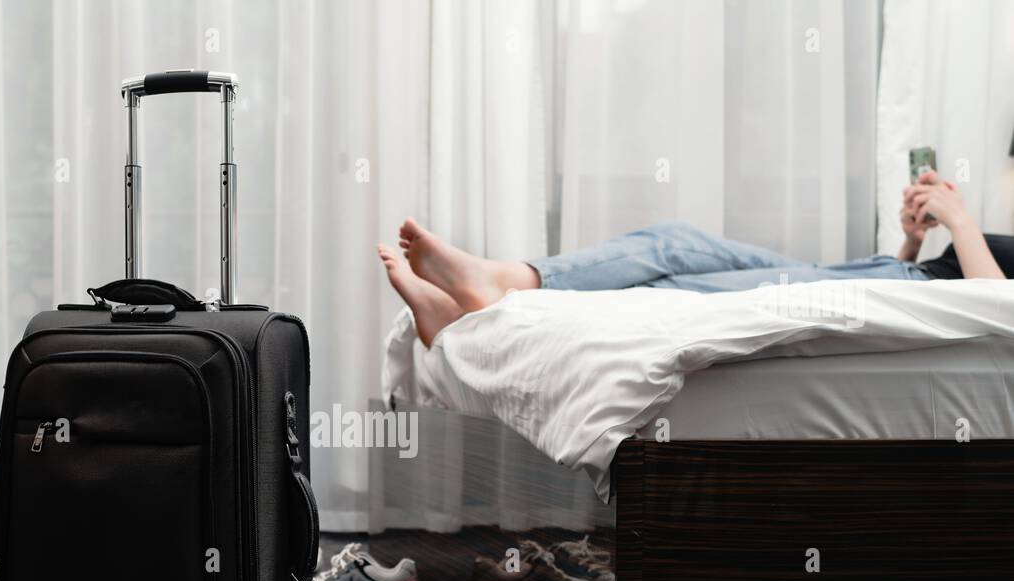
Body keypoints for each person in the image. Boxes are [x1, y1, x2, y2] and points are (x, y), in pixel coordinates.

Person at [380, 170, 1014, 347]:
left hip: (901, 287)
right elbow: (934, 277)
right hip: (891, 275)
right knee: (674, 244)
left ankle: (484, 300)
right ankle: (496, 289)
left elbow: (995, 303)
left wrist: (960, 220)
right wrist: (913, 235)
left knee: (677, 275)